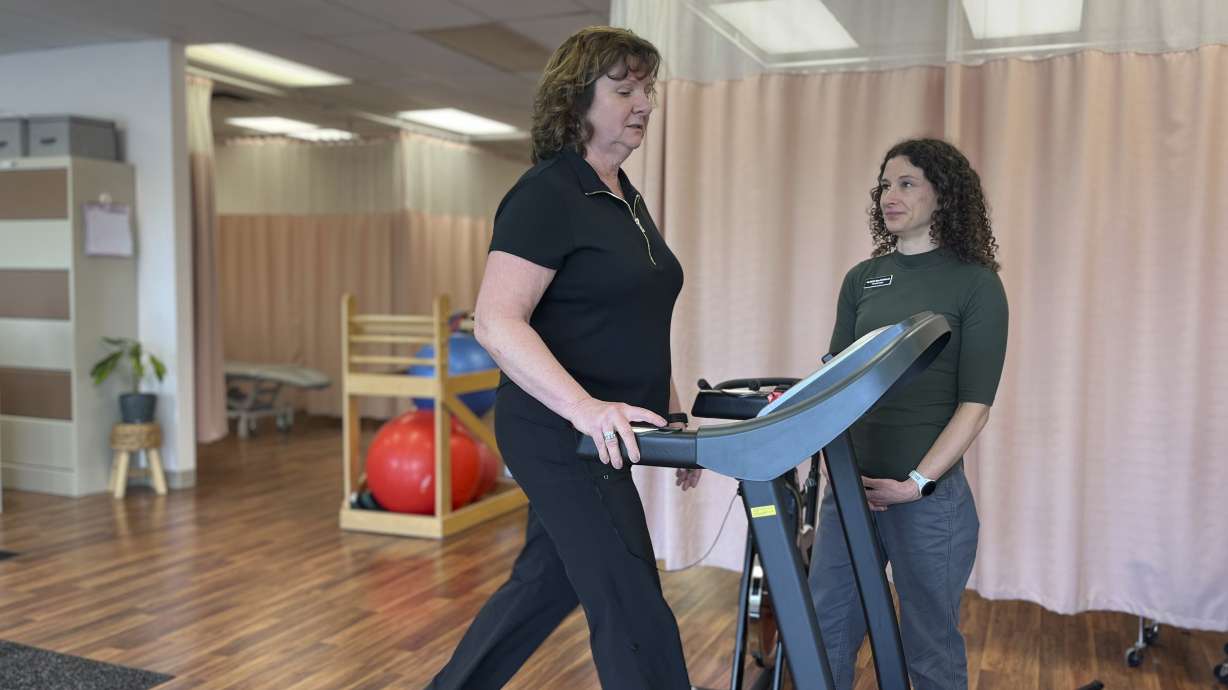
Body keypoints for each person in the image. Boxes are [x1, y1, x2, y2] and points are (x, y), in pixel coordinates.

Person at [427, 26, 699, 690]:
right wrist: (586, 409)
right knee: (629, 597)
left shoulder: (623, 197)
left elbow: (633, 315)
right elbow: (495, 320)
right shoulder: (548, 193)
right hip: (558, 432)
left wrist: (671, 408)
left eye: (648, 89)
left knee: (544, 586)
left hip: (603, 432)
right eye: (625, 89)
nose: (643, 104)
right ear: (576, 100)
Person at [808, 138, 1009, 690]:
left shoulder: (976, 284)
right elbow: (835, 383)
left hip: (928, 501)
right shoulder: (862, 279)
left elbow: (976, 406)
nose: (888, 196)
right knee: (826, 631)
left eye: (905, 183)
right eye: (883, 185)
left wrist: (917, 483)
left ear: (943, 195)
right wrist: (835, 465)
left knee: (930, 646)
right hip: (850, 492)